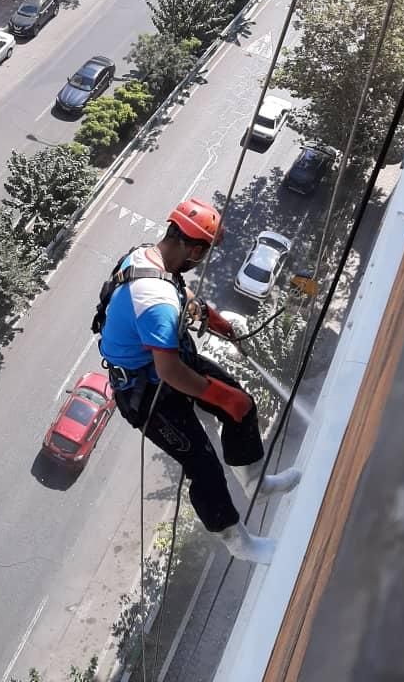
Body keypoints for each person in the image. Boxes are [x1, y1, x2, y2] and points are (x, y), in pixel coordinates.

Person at [96, 197, 301, 564]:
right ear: (192, 248)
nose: (199, 263)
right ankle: (239, 543)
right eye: (201, 254)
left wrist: (217, 320)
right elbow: (170, 372)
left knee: (243, 405)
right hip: (146, 393)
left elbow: (178, 289)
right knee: (203, 464)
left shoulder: (149, 256)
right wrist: (221, 399)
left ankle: (256, 483)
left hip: (164, 363)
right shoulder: (156, 303)